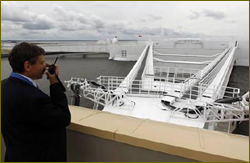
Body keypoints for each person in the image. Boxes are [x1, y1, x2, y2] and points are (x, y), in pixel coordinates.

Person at [1, 42, 71, 162]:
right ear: (27, 66)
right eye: (42, 62)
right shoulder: (34, 98)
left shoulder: (3, 86)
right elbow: (64, 117)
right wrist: (54, 82)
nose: (45, 66)